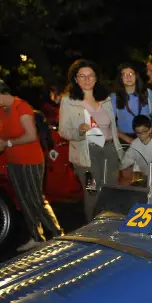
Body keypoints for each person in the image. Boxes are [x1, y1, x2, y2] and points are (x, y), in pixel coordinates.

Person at [0, 75, 63, 251]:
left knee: (35, 199)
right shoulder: (3, 109)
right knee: (23, 200)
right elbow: (8, 134)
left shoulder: (21, 106)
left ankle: (58, 234)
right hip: (14, 160)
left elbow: (31, 135)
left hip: (30, 160)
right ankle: (37, 236)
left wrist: (6, 143)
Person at [58, 59, 123, 222]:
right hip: (86, 153)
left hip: (109, 150)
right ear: (75, 78)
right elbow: (63, 131)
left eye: (90, 75)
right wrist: (79, 130)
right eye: (82, 76)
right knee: (92, 192)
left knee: (111, 191)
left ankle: (110, 227)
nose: (87, 80)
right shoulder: (68, 101)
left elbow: (113, 127)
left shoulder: (105, 98)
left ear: (96, 77)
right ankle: (93, 230)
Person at [111, 63, 152, 144]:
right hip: (125, 140)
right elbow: (110, 123)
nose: (128, 77)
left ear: (136, 76)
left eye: (131, 73)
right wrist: (129, 140)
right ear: (121, 78)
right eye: (124, 74)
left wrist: (150, 135)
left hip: (148, 138)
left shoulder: (148, 93)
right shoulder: (114, 97)